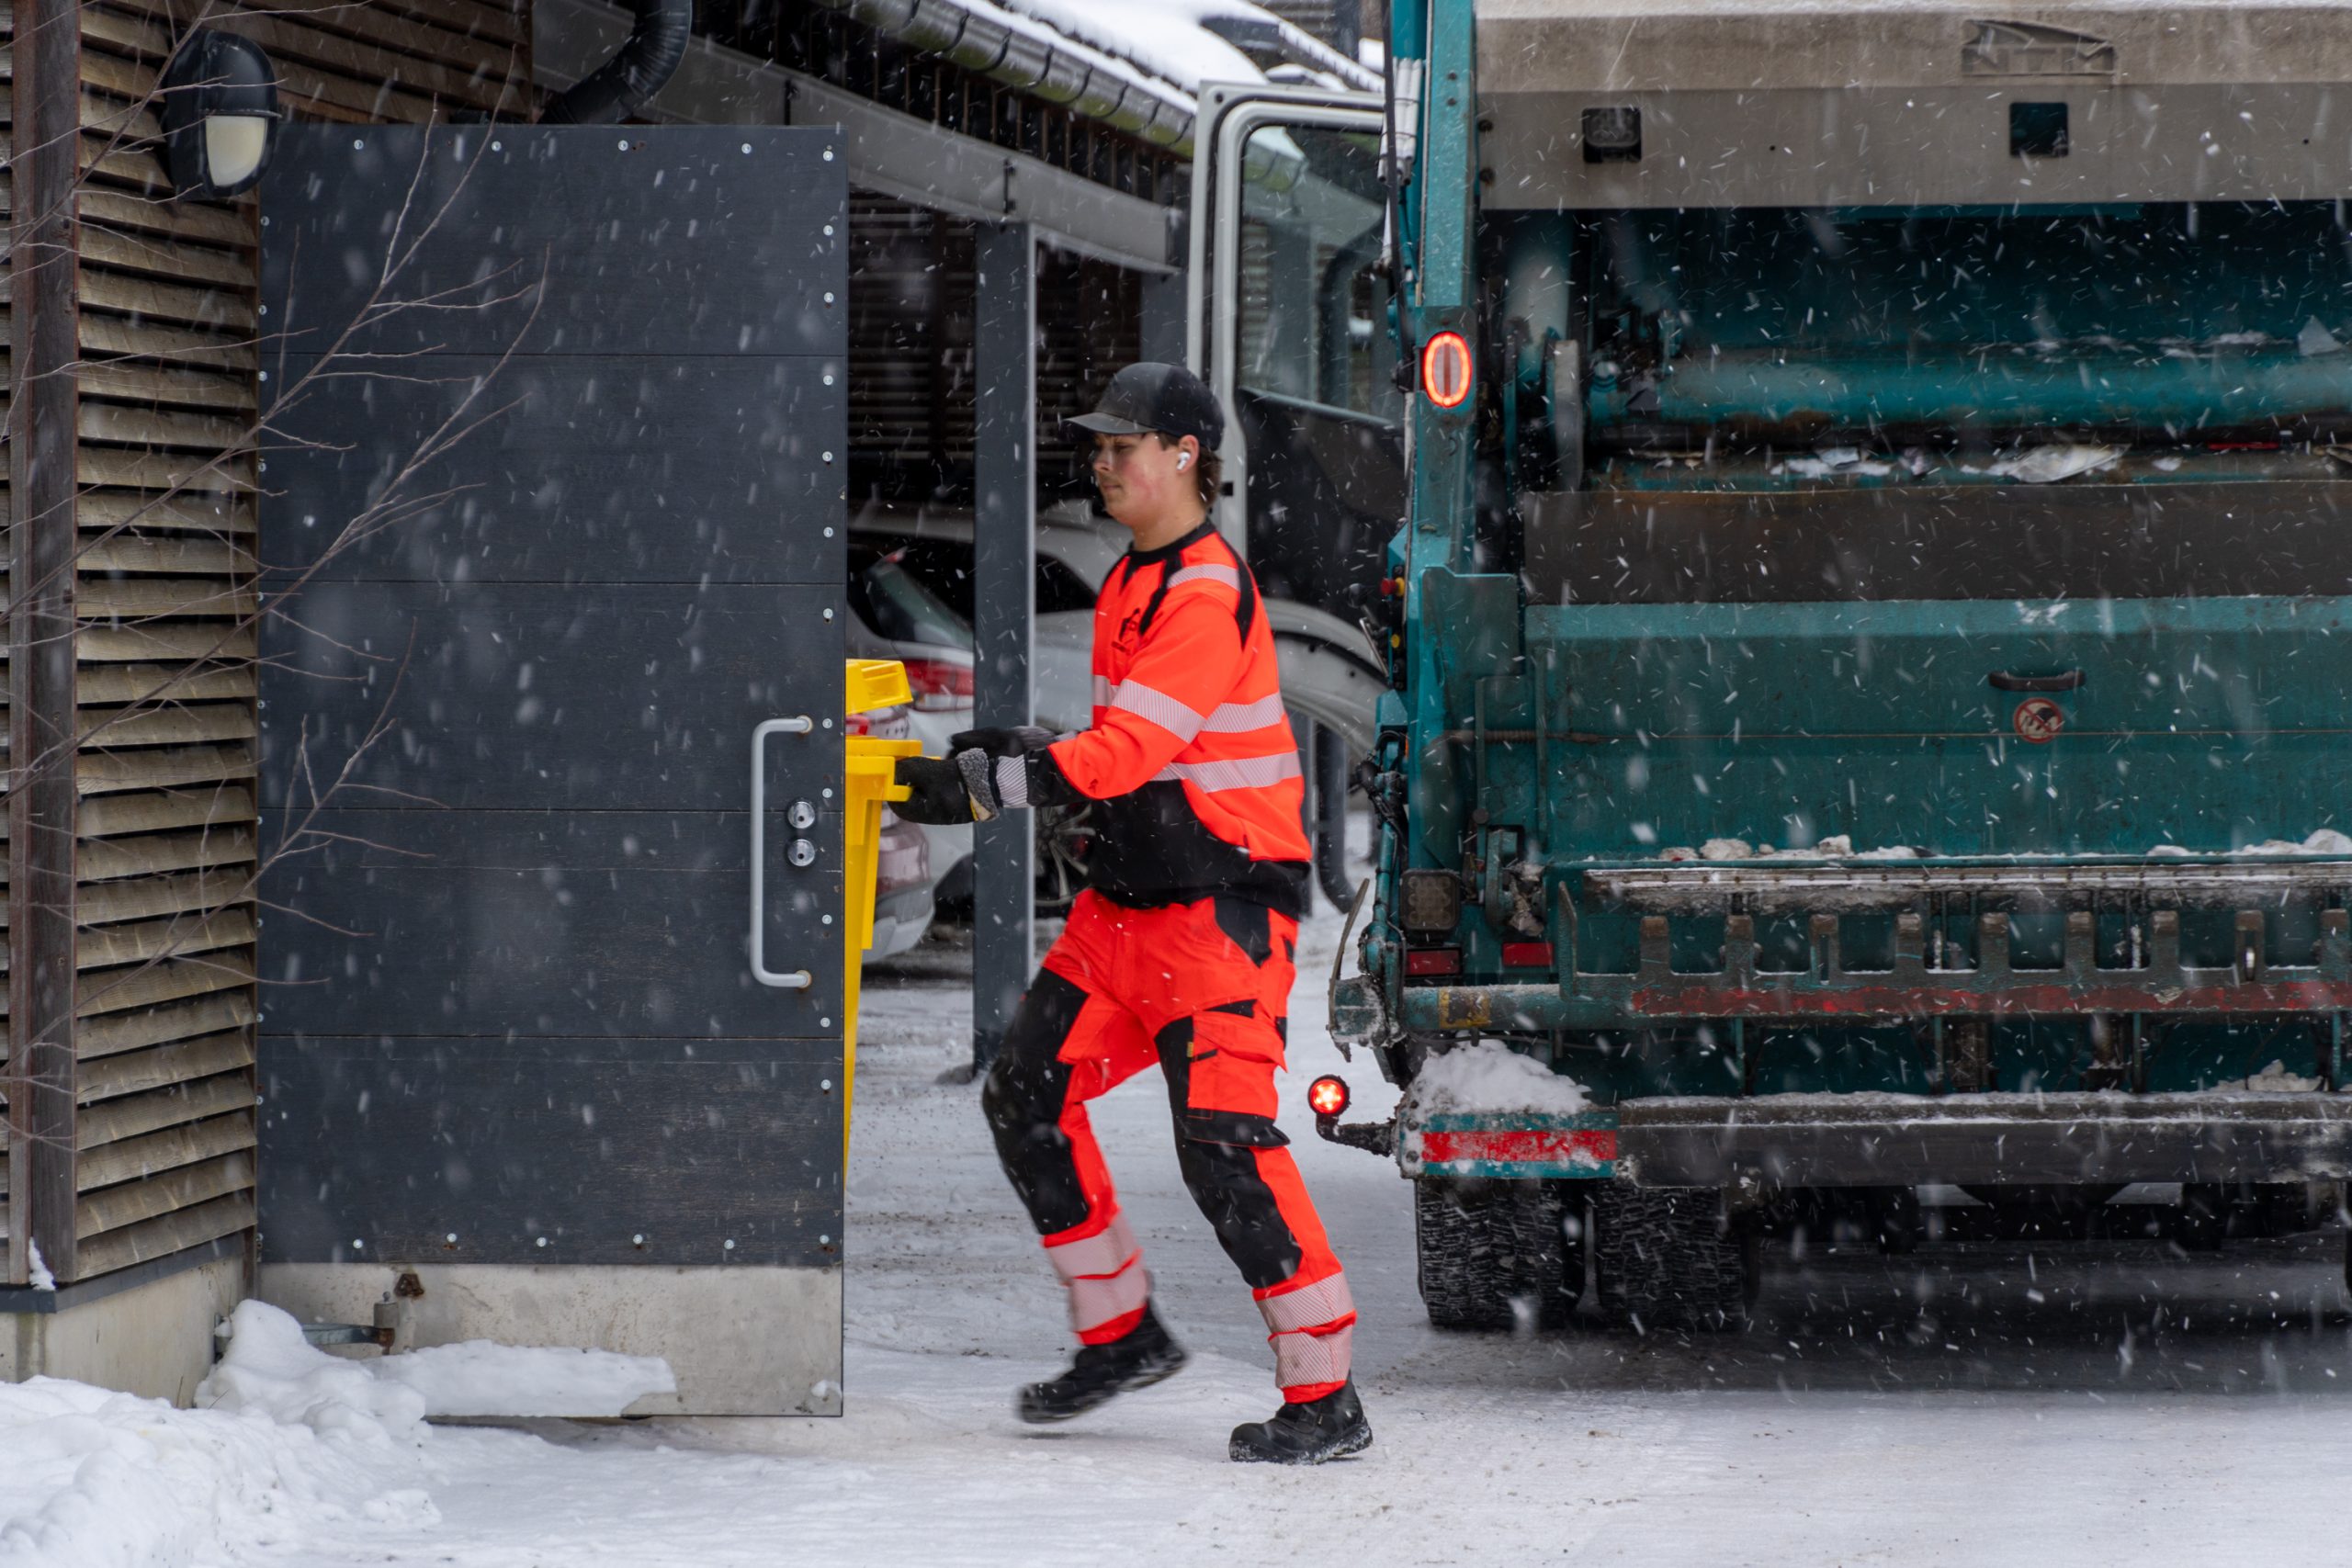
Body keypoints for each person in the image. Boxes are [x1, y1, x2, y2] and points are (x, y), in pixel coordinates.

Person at [892, 362, 1369, 1465]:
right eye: (1098, 446)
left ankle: (1325, 1397)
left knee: (1224, 1152)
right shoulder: (1131, 581)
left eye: (1121, 446)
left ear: (1184, 458)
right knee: (1025, 1098)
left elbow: (1124, 753)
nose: (1101, 463)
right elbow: (1125, 755)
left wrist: (987, 782)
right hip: (1126, 910)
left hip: (1222, 919)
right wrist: (1008, 759)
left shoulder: (1203, 592)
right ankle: (1120, 1336)